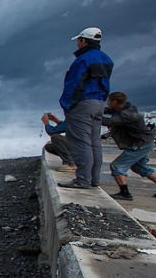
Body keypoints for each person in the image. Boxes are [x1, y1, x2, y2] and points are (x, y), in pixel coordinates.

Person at [58, 27, 113, 189]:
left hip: (82, 103)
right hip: (98, 103)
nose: (77, 43)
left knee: (80, 142)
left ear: (83, 40)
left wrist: (66, 105)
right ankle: (94, 179)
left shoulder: (83, 59)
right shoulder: (106, 59)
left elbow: (73, 84)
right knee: (94, 143)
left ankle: (83, 180)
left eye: (78, 40)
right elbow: (106, 84)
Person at [102, 92, 156, 200]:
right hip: (145, 142)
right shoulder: (126, 107)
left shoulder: (127, 114)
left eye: (108, 101)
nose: (107, 103)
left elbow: (108, 121)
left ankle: (125, 193)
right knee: (139, 167)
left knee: (117, 166)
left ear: (114, 102)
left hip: (139, 144)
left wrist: (90, 113)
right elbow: (108, 111)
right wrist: (96, 108)